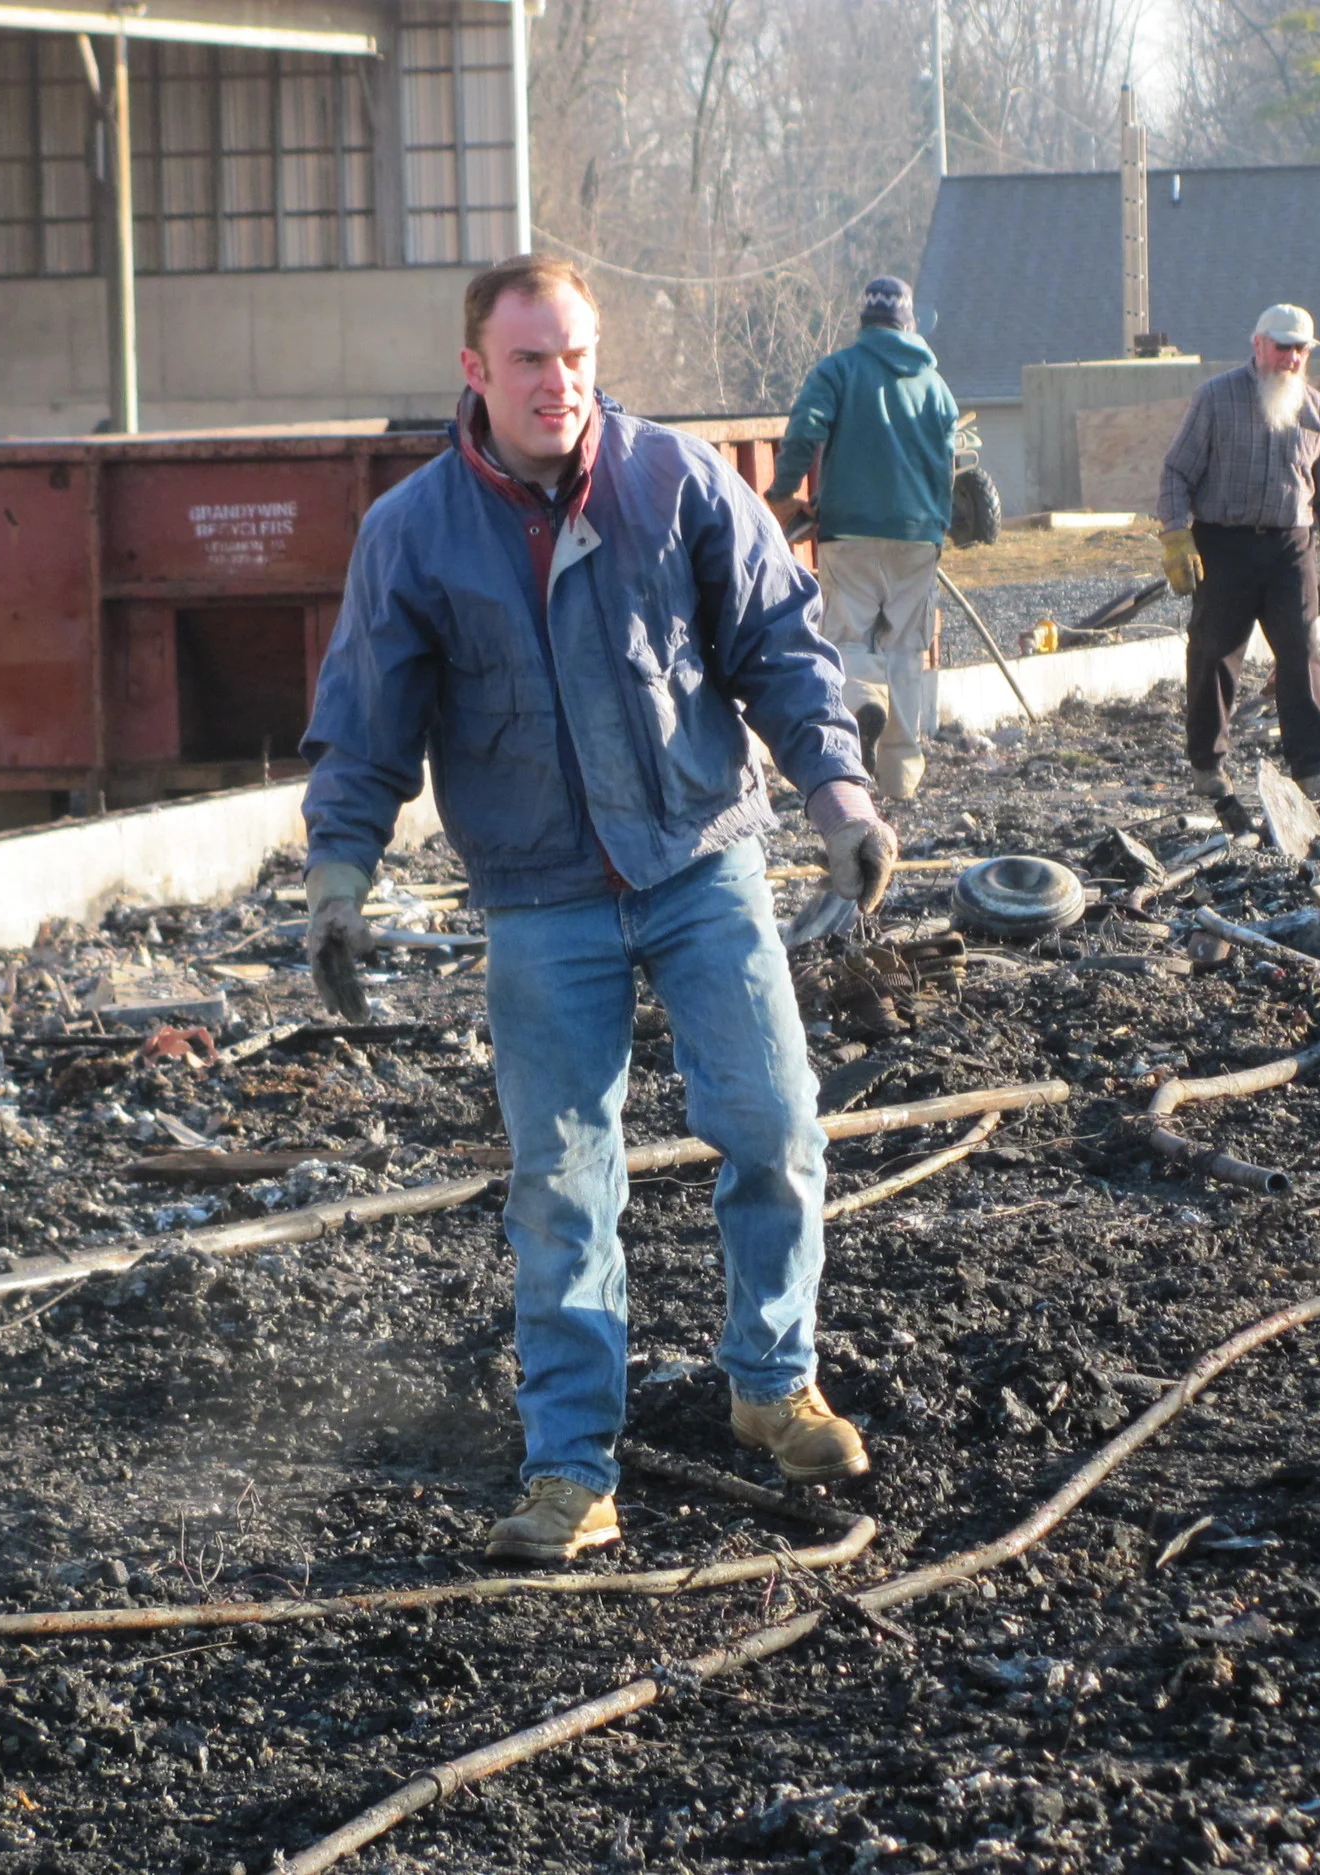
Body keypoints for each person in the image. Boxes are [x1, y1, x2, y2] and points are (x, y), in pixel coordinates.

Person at [298, 256, 898, 1564]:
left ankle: (772, 1383)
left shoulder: (673, 483)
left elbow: (783, 650)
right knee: (562, 1189)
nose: (558, 381)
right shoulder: (413, 534)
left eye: (575, 355)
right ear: (474, 370)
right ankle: (573, 1469)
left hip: (700, 863)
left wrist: (841, 799)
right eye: (529, 359)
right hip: (544, 905)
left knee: (774, 1124)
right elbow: (364, 725)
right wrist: (339, 878)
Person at [765, 276, 959, 802]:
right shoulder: (936, 387)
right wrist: (938, 522)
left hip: (849, 529)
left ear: (864, 320)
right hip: (919, 536)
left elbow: (806, 427)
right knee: (907, 647)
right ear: (909, 322)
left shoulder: (839, 370)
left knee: (849, 636)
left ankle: (861, 703)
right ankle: (900, 777)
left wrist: (783, 494)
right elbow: (948, 463)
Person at [1157, 301, 1320, 805]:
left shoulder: (1316, 410)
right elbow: (1177, 472)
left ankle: (1312, 766)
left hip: (1291, 546)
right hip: (1225, 543)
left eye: (1300, 349)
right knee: (1214, 654)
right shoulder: (1216, 399)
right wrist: (1177, 537)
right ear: (1258, 344)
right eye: (1282, 346)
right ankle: (1208, 765)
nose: (1291, 357)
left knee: (1301, 653)